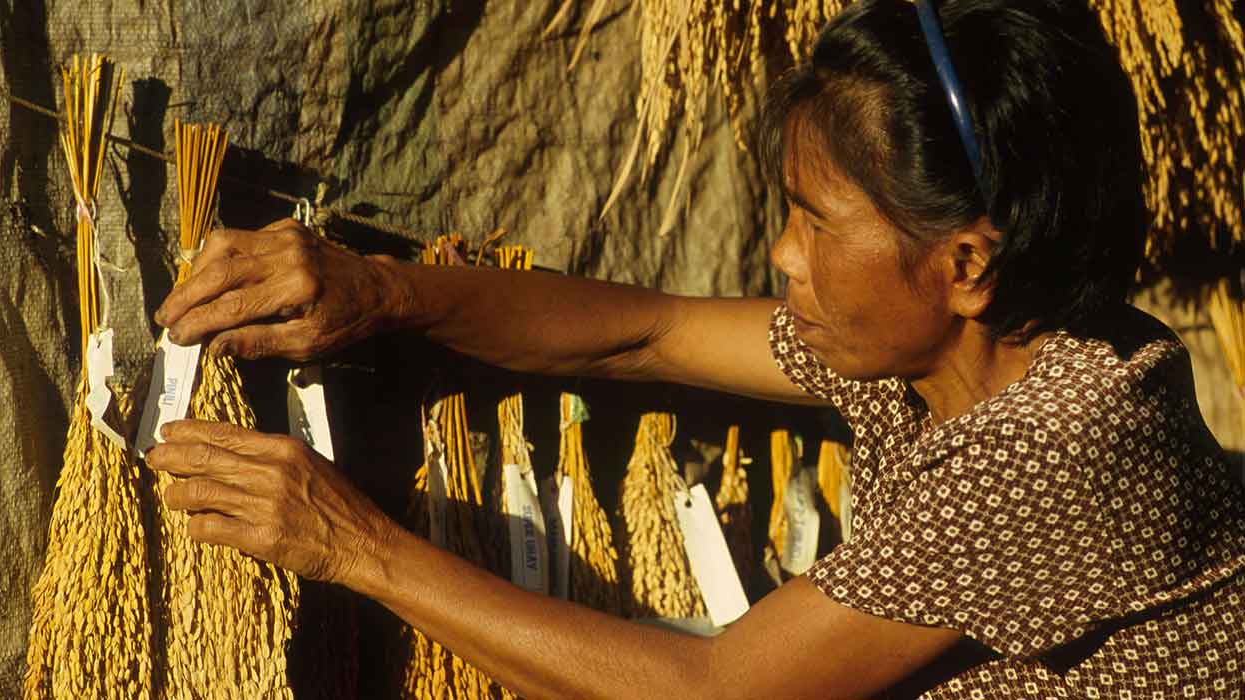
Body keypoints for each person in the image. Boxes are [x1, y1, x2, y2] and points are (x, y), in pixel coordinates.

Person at [144, 0, 1245, 696]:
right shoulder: (940, 349)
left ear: (964, 263)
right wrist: (381, 288)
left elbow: (717, 691)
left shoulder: (1064, 449)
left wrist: (354, 548)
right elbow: (646, 332)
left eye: (818, 220)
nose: (782, 254)